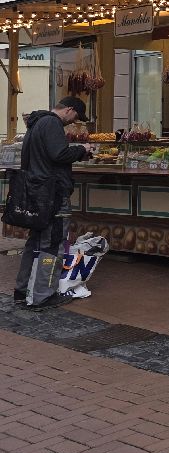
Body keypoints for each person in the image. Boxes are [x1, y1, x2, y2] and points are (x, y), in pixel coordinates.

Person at [13, 97, 97, 310]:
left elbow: (45, 157)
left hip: (37, 192)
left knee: (35, 242)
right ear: (69, 109)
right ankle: (42, 296)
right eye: (75, 116)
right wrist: (82, 149)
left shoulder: (36, 123)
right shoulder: (52, 123)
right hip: (52, 194)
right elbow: (59, 154)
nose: (74, 121)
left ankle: (22, 290)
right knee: (52, 244)